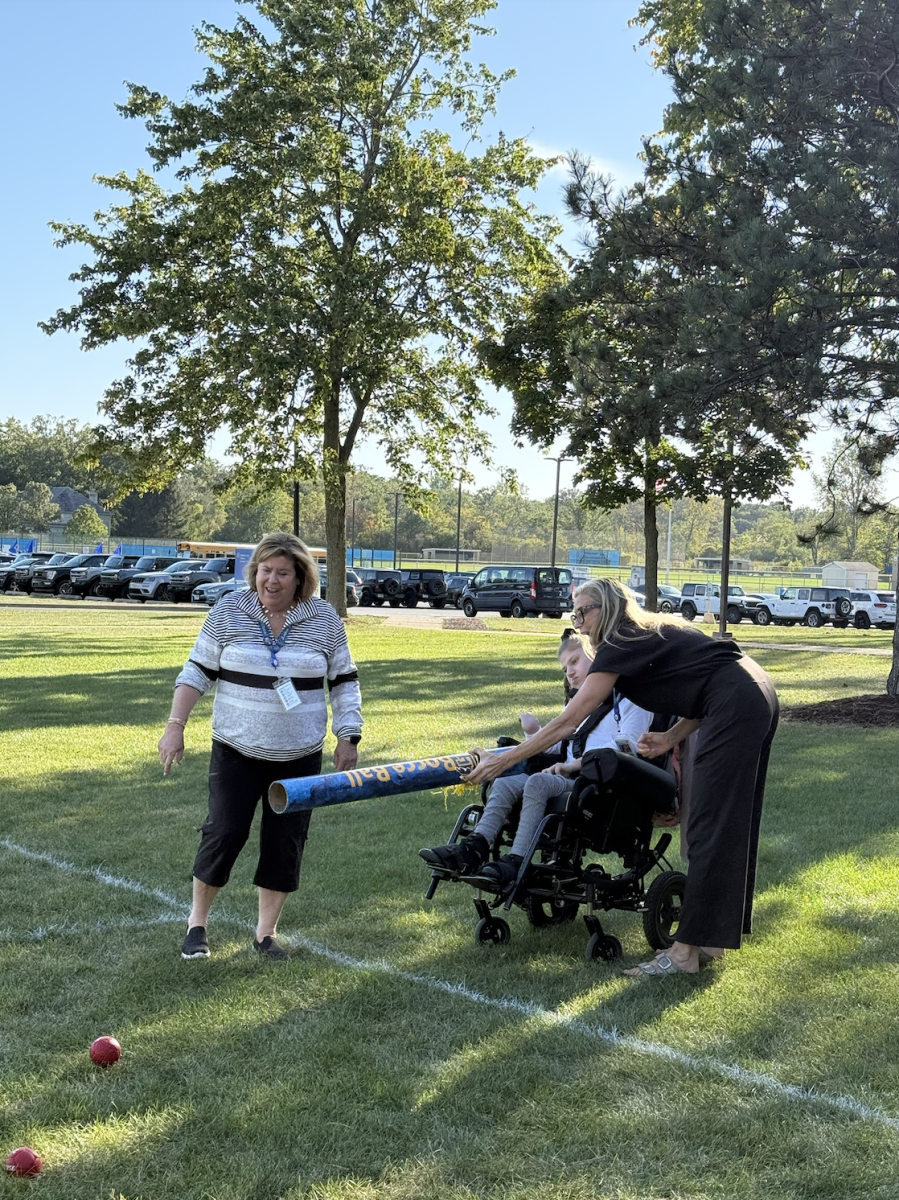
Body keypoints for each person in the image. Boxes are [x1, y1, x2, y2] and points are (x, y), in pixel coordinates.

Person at [466, 578, 778, 976]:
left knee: (709, 825)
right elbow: (706, 680)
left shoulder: (622, 640)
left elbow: (566, 723)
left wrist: (503, 760)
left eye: (584, 612)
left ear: (609, 605)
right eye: (574, 613)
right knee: (725, 822)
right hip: (750, 690)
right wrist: (670, 736)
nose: (579, 624)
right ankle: (711, 940)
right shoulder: (643, 633)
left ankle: (684, 955)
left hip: (736, 698)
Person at [158, 532, 363, 961]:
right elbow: (196, 671)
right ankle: (197, 925)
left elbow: (344, 682)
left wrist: (348, 736)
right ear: (255, 572)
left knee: (285, 842)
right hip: (236, 747)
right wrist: (175, 726)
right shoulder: (229, 611)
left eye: (282, 573)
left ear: (300, 577)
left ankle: (265, 935)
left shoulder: (324, 619)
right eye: (265, 570)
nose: (272, 580)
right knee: (224, 832)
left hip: (300, 753)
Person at [420, 633, 652, 886]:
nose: (570, 673)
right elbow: (555, 745)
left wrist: (575, 764)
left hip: (601, 787)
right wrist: (533, 733)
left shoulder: (631, 700)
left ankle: (517, 861)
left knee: (538, 782)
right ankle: (475, 848)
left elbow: (628, 747)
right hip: (569, 778)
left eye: (575, 662)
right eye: (565, 669)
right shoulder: (579, 704)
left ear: (596, 656)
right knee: (506, 783)